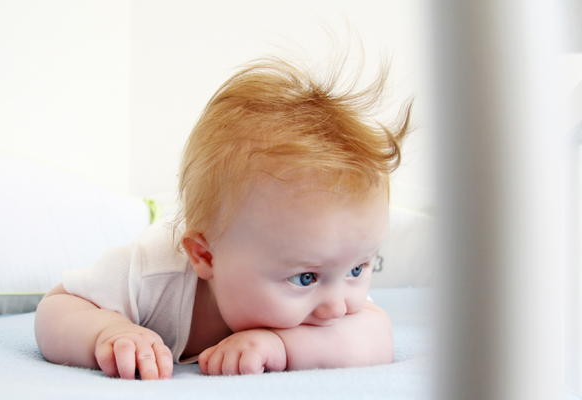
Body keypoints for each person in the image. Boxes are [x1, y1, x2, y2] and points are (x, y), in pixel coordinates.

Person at [34, 56, 412, 380]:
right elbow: (56, 308)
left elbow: (376, 338)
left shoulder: (331, 273)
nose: (339, 306)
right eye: (305, 278)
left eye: (359, 270)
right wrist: (107, 333)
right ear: (206, 256)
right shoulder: (150, 274)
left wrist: (282, 347)